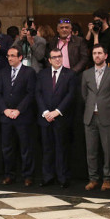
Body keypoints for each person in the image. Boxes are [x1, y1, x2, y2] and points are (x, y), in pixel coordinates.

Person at [81, 44, 110, 191]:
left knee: (108, 150)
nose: (97, 56)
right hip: (90, 116)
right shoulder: (86, 74)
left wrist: (107, 107)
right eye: (94, 53)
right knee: (91, 151)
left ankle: (107, 178)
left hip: (107, 116)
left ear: (106, 56)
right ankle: (93, 179)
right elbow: (84, 95)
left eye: (99, 53)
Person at [0, 46, 37, 186]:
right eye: (8, 55)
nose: (10, 58)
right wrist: (5, 110)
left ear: (20, 57)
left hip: (23, 117)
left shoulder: (29, 72)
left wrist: (18, 110)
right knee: (7, 148)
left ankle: (27, 176)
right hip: (6, 117)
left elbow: (31, 94)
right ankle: (9, 175)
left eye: (13, 55)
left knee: (25, 148)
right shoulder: (3, 72)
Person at [36, 48, 76, 188]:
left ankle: (62, 178)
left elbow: (70, 95)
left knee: (61, 149)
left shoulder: (70, 74)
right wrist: (46, 112)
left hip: (61, 118)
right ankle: (48, 177)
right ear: (49, 60)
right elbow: (38, 94)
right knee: (47, 149)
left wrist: (57, 112)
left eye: (59, 56)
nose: (57, 59)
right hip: (45, 118)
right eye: (54, 57)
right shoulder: (42, 74)